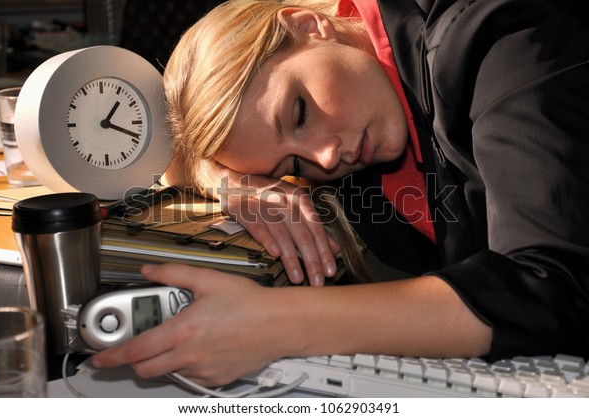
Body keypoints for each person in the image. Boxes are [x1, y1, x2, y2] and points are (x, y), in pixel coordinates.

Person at [91, 0, 589, 387]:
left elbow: (555, 284)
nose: (327, 160)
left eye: (300, 113)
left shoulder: (496, 37)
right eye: (292, 165)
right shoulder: (358, 115)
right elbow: (177, 163)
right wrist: (230, 180)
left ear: (309, 24)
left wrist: (277, 325)